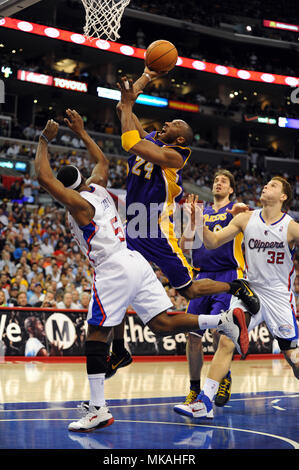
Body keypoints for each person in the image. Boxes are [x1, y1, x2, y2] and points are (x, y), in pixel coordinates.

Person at [34, 112, 258, 432]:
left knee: (96, 333)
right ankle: (222, 322)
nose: (166, 125)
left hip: (116, 263)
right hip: (133, 256)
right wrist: (83, 132)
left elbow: (44, 178)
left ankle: (98, 407)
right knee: (161, 322)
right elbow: (102, 161)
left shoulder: (78, 205)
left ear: (68, 192)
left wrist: (43, 140)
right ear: (85, 180)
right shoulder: (97, 187)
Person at [110, 71, 258, 378]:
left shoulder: (175, 156)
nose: (164, 123)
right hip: (132, 227)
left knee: (189, 291)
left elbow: (130, 143)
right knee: (115, 282)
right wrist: (144, 77)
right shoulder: (152, 137)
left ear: (179, 138)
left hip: (155, 230)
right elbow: (124, 110)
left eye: (171, 125)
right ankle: (119, 350)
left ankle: (235, 287)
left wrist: (127, 103)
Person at [187, 176, 299, 418]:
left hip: (280, 297)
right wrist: (198, 223)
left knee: (294, 360)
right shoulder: (245, 218)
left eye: (273, 185)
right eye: (266, 183)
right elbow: (214, 241)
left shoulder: (291, 227)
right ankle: (204, 401)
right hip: (250, 291)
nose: (266, 186)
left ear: (283, 197)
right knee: (226, 339)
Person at [173, 170, 248, 417]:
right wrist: (191, 221)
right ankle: (194, 389)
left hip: (228, 274)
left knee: (219, 330)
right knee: (192, 336)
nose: (218, 182)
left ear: (230, 190)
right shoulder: (201, 212)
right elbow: (185, 245)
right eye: (215, 179)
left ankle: (222, 376)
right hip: (201, 276)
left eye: (224, 181)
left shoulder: (237, 211)